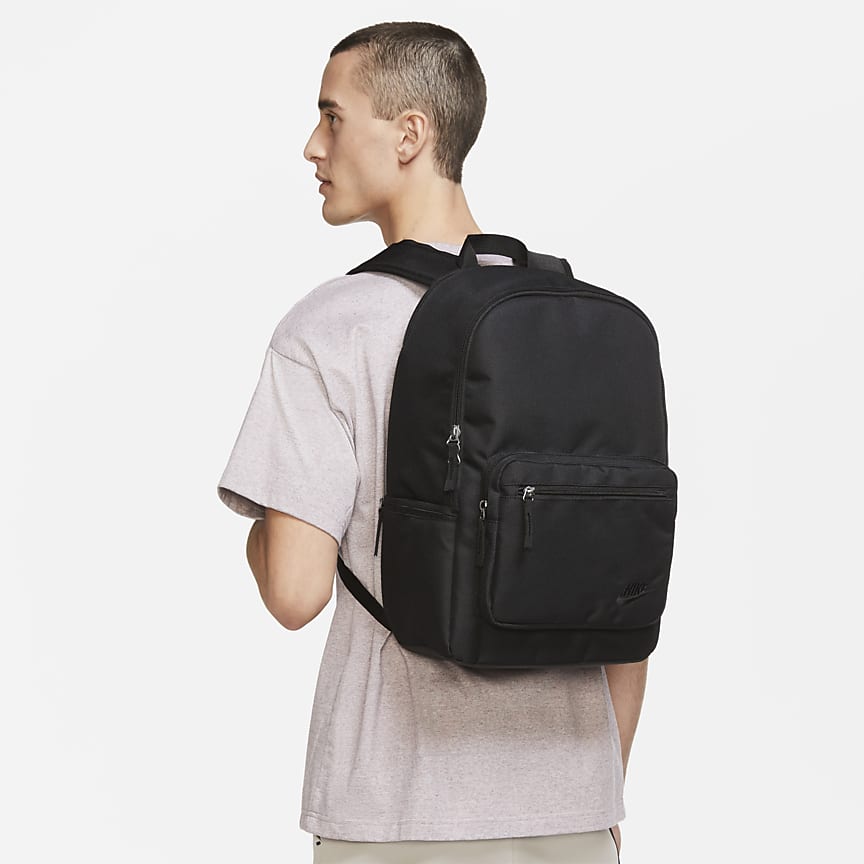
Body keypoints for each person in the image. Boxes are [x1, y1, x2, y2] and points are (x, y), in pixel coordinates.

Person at [217, 20, 648, 863]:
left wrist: (260, 534)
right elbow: (628, 596)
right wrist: (599, 795)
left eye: (332, 116)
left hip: (399, 810)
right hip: (574, 807)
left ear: (409, 134)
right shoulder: (588, 328)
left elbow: (294, 593)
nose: (312, 146)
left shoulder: (330, 327)